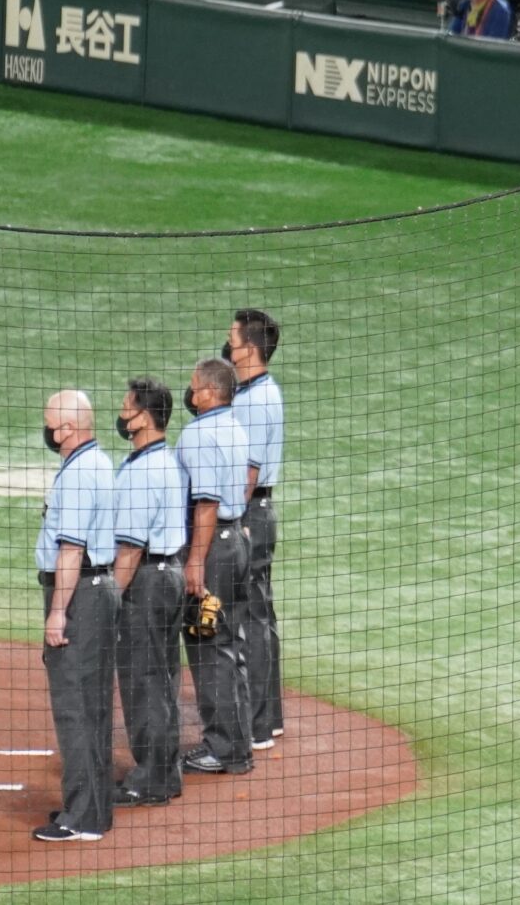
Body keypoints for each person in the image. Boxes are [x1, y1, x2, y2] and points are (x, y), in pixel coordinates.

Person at [33, 388, 117, 843]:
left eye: (50, 424)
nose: (47, 431)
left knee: (75, 707)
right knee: (93, 704)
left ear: (67, 429)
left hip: (79, 595)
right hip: (95, 591)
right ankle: (94, 807)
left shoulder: (80, 473)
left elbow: (71, 550)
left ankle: (82, 817)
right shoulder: (97, 462)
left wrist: (57, 613)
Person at [109, 377, 188, 809]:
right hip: (167, 575)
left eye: (127, 408)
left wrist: (109, 601)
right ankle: (165, 772)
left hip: (147, 581)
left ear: (143, 417)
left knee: (144, 681)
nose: (122, 415)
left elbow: (130, 548)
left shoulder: (143, 471)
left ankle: (152, 779)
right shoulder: (160, 460)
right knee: (161, 678)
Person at [177, 354, 252, 777]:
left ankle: (223, 749)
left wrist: (195, 561)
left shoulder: (200, 433)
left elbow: (206, 503)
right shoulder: (235, 427)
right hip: (234, 542)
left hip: (213, 552)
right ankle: (237, 743)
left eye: (194, 385)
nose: (190, 392)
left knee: (208, 646)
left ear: (208, 391)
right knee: (229, 644)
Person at [223, 309, 284, 754]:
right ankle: (268, 718)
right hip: (256, 510)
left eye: (232, 338)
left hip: (251, 512)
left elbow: (248, 472)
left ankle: (258, 724)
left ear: (249, 348)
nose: (227, 344)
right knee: (259, 614)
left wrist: (234, 521)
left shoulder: (257, 400)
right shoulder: (254, 391)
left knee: (251, 617)